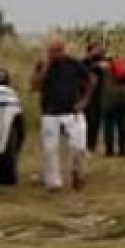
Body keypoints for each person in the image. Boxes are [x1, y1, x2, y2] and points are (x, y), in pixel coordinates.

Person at [31, 35, 94, 192]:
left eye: (59, 51)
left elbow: (91, 79)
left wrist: (84, 101)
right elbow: (35, 85)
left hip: (71, 111)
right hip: (50, 112)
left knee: (78, 145)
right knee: (50, 148)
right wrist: (45, 68)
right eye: (53, 51)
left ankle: (77, 172)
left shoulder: (73, 64)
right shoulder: (43, 65)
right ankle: (53, 182)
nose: (56, 55)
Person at [99, 51, 125, 157]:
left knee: (108, 126)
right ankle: (123, 149)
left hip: (108, 100)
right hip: (123, 100)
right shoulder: (122, 67)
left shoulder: (104, 68)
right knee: (122, 125)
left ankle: (109, 150)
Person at [83, 42, 110, 154]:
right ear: (90, 50)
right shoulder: (85, 61)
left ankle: (91, 146)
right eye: (97, 49)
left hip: (100, 95)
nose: (99, 51)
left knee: (96, 122)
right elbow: (84, 71)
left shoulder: (103, 60)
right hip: (87, 95)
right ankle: (85, 145)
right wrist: (96, 66)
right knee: (89, 120)